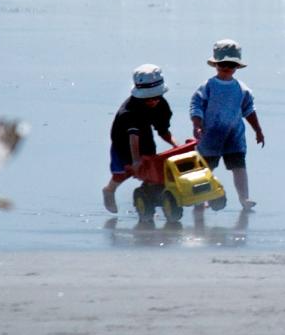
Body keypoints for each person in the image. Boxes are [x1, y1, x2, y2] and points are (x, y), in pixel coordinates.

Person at [190, 39, 264, 212]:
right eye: (222, 64)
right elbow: (196, 106)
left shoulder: (242, 89)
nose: (226, 68)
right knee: (205, 168)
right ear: (216, 64)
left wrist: (258, 131)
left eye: (231, 65)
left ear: (237, 67)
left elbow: (249, 110)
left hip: (234, 136)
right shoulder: (207, 86)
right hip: (210, 136)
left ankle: (244, 198)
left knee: (239, 167)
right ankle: (200, 200)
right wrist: (197, 125)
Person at [102, 64, 177, 214]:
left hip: (145, 137)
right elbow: (133, 137)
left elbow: (163, 131)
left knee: (150, 169)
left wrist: (176, 145)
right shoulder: (129, 112)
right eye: (148, 98)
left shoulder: (161, 105)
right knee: (123, 172)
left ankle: (149, 197)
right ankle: (109, 190)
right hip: (123, 140)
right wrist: (135, 160)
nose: (153, 101)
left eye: (156, 97)